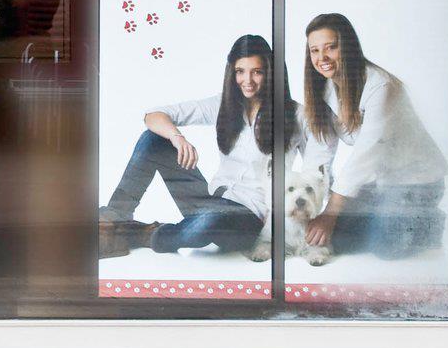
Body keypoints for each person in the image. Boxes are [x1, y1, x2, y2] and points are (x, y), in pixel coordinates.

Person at [99, 34, 323, 258]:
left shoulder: (296, 115)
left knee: (210, 220)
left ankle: (144, 234)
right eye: (240, 71)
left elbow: (316, 169)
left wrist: (317, 217)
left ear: (270, 73)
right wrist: (177, 138)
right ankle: (110, 222)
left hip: (251, 217)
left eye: (257, 72)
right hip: (211, 200)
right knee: (153, 139)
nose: (248, 80)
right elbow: (153, 115)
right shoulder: (223, 104)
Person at [300, 12, 448, 260]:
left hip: (416, 181)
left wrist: (331, 212)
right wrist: (307, 200)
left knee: (385, 247)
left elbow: (366, 154)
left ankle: (430, 222)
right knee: (337, 239)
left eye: (331, 47)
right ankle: (384, 215)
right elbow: (319, 151)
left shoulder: (381, 86)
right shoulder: (324, 88)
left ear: (347, 47)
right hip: (379, 182)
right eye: (314, 50)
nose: (321, 57)